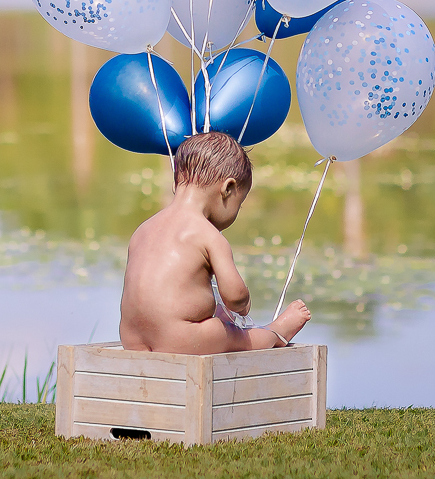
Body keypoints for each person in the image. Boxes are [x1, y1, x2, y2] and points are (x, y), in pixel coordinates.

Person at [119, 131, 311, 354]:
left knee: (210, 319)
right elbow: (235, 297)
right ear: (228, 189)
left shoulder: (143, 229)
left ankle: (221, 320)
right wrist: (243, 304)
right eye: (239, 204)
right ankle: (276, 332)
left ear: (175, 183)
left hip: (132, 339)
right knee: (231, 335)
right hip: (181, 339)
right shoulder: (208, 235)